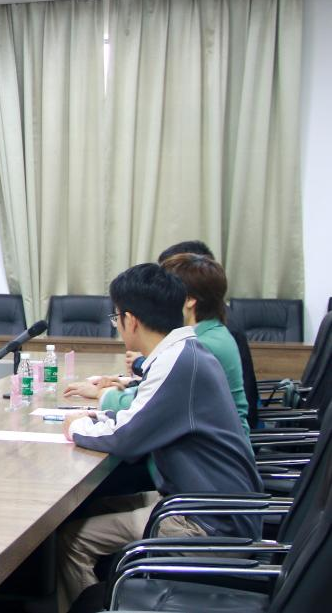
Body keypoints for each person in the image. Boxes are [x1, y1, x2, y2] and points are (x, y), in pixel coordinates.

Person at [55, 264, 262, 612]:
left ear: (130, 320)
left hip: (207, 523)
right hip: (205, 502)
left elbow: (126, 439)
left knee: (71, 540)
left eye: (116, 317)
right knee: (92, 507)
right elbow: (141, 416)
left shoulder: (177, 362)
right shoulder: (183, 352)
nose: (117, 325)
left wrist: (75, 427)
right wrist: (96, 417)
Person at [64, 253, 249, 436]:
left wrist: (100, 397)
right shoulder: (190, 342)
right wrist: (126, 386)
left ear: (189, 299)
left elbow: (138, 421)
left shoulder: (194, 348)